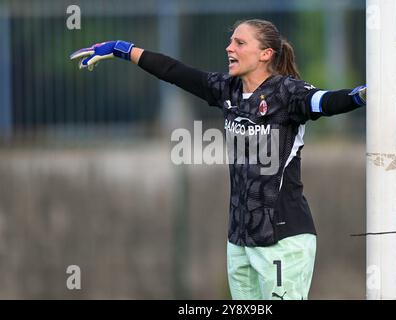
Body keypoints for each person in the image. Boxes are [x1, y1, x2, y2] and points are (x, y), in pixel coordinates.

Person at [70, 19, 366, 300]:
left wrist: (357, 96)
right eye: (230, 42)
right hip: (239, 240)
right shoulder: (227, 90)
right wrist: (123, 49)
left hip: (283, 239)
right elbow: (174, 71)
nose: (229, 48)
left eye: (239, 42)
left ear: (265, 53)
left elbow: (324, 102)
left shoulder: (288, 92)